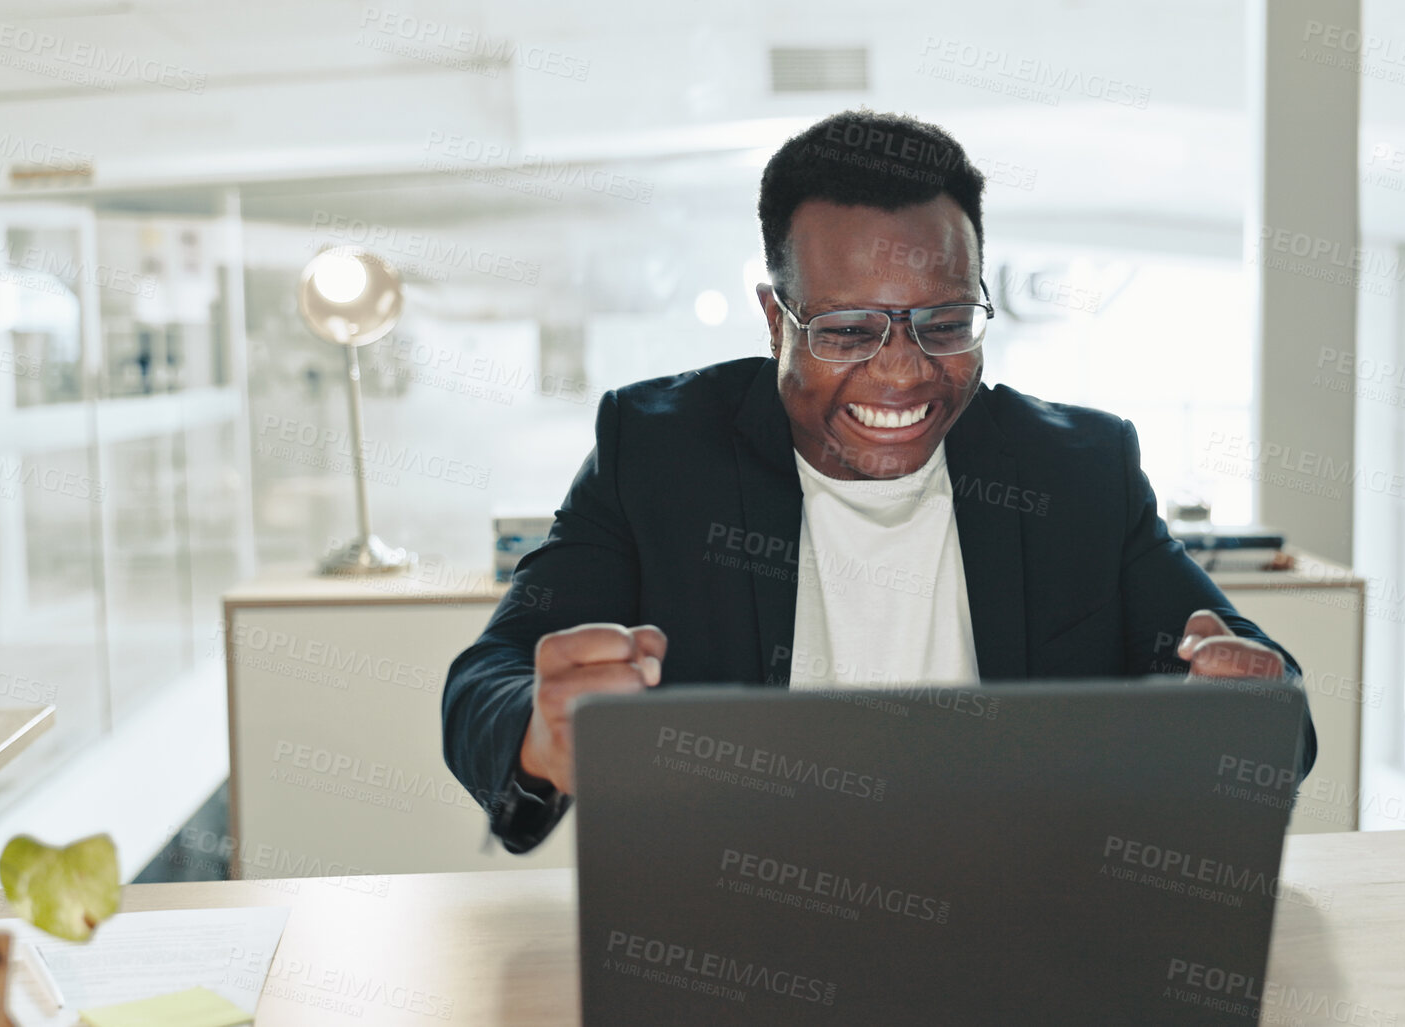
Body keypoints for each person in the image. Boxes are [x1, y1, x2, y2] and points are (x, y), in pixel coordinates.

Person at [443, 109, 1315, 853]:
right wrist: (538, 732)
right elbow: (487, 677)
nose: (902, 372)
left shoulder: (1078, 468)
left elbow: (1269, 700)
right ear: (773, 318)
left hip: (1019, 921)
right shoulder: (658, 451)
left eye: (943, 322)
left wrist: (1243, 707)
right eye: (849, 328)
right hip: (737, 919)